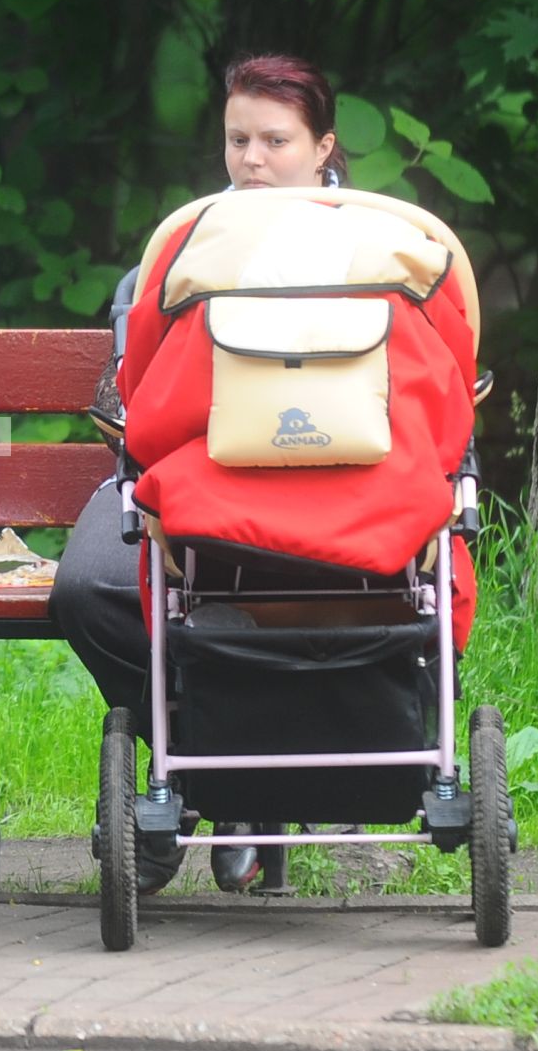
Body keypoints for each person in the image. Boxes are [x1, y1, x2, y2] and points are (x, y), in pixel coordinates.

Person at [50, 53, 346, 896]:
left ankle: (234, 792)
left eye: (276, 141)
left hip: (327, 489)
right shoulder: (173, 254)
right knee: (88, 587)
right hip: (186, 489)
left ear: (323, 147)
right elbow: (130, 403)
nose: (252, 160)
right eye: (237, 139)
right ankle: (200, 776)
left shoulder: (379, 250)